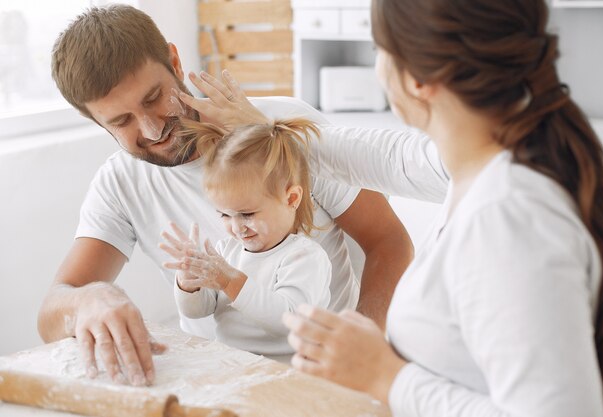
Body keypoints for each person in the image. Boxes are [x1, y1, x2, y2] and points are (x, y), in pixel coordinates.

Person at [37, 4, 434, 387]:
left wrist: (361, 345)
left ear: (175, 63)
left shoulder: (280, 128)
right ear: (95, 122)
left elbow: (389, 242)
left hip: (320, 374)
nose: (152, 128)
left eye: (154, 97)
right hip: (218, 380)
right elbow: (53, 311)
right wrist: (87, 301)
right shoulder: (120, 183)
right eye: (121, 121)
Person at [278, 0, 603, 416]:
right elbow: (393, 158)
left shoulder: (507, 217)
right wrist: (269, 127)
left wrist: (384, 374)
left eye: (378, 51)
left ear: (420, 78)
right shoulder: (494, 161)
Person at [159, 119, 331, 362]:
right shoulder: (227, 251)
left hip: (289, 369)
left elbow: (289, 321)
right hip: (233, 363)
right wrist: (189, 284)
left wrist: (230, 280)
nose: (237, 227)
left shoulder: (304, 257)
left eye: (247, 214)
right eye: (225, 215)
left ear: (291, 199)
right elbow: (197, 311)